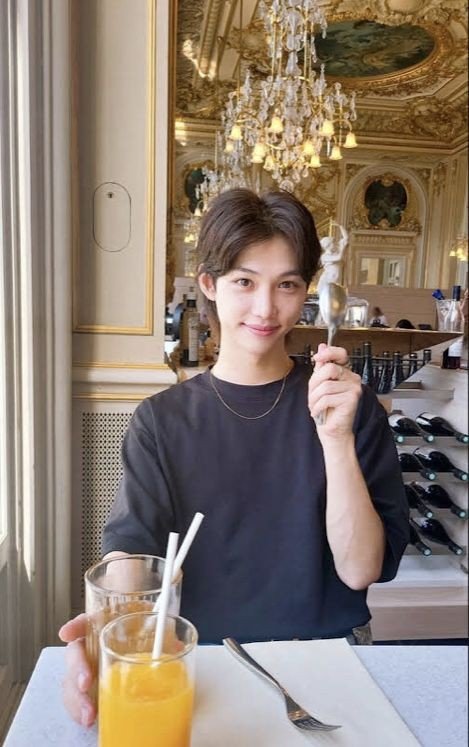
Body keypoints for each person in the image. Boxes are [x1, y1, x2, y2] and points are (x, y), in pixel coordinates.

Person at [59, 188, 409, 726]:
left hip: (328, 656)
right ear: (209, 284)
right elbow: (133, 552)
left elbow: (360, 570)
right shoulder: (161, 420)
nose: (266, 309)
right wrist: (108, 624)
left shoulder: (346, 406)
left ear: (305, 290)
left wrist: (336, 439)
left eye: (286, 284)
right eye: (244, 282)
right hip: (203, 659)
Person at [316, 221, 348, 292]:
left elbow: (346, 238)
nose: (335, 244)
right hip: (328, 279)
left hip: (336, 279)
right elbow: (339, 258)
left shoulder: (336, 252)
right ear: (328, 246)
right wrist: (342, 249)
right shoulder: (324, 257)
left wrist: (340, 226)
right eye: (333, 243)